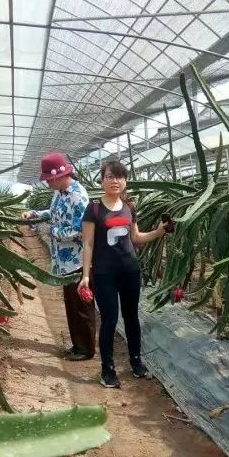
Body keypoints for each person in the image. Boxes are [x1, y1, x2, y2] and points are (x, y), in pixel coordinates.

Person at [79, 160, 170, 388]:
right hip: (104, 274)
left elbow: (136, 238)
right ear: (101, 180)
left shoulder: (129, 207)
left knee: (132, 318)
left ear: (125, 180)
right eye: (110, 176)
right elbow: (88, 244)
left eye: (119, 176)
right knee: (109, 320)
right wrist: (86, 275)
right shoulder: (94, 208)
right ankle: (107, 370)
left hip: (130, 271)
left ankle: (136, 361)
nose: (114, 181)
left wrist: (159, 232)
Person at [22, 153, 96, 361]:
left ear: (57, 177)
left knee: (81, 306)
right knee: (72, 305)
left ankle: (86, 349)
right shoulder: (61, 193)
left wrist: (53, 232)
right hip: (64, 262)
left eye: (47, 179)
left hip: (78, 260)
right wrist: (35, 214)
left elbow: (82, 230)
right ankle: (77, 345)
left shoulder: (77, 195)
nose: (46, 183)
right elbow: (54, 212)